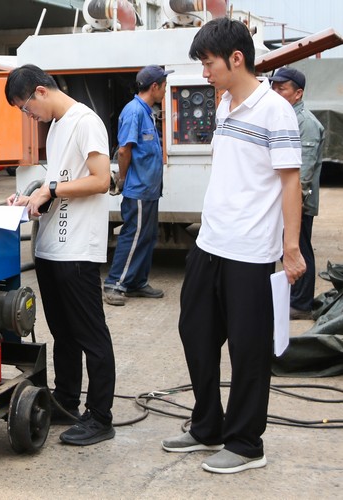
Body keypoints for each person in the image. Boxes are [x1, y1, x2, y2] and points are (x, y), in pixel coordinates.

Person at [161, 18, 305, 474]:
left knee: (248, 349)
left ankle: (246, 444)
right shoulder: (224, 104)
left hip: (252, 250)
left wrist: (292, 247)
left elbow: (290, 182)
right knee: (196, 333)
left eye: (208, 63)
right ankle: (207, 425)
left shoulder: (274, 110)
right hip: (210, 241)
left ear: (236, 58)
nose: (205, 73)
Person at [5, 64, 116, 447]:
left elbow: (101, 179)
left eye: (25, 107)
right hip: (51, 247)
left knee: (90, 335)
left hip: (78, 248)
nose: (28, 116)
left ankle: (100, 416)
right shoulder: (55, 127)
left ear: (40, 91)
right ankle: (67, 400)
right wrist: (31, 198)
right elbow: (61, 183)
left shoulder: (86, 121)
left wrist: (50, 189)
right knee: (63, 335)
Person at [103, 65, 171, 306]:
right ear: (155, 87)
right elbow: (124, 150)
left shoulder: (147, 111)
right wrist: (122, 180)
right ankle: (114, 284)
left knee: (148, 236)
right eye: (164, 85)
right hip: (138, 188)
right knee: (133, 236)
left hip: (149, 189)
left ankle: (136, 282)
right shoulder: (134, 112)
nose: (165, 90)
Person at [269, 67, 325, 320]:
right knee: (290, 248)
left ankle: (301, 304)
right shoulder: (285, 118)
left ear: (298, 93)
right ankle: (296, 298)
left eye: (282, 89)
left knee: (299, 248)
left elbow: (305, 173)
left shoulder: (307, 124)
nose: (276, 93)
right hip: (287, 199)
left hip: (298, 201)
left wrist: (293, 204)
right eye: (274, 88)